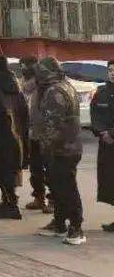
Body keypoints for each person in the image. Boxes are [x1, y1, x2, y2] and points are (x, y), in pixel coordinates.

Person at [34, 57, 85, 246]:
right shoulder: (65, 85)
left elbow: (51, 124)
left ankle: (76, 227)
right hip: (66, 146)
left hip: (62, 148)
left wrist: (45, 146)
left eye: (40, 70)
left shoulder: (54, 90)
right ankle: (59, 223)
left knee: (66, 187)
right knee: (58, 187)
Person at [0, 56, 29, 220]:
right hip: (16, 133)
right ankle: (8, 201)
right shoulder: (16, 86)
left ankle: (11, 205)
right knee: (11, 167)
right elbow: (24, 110)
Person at [20, 56, 51, 214]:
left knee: (50, 168)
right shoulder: (23, 84)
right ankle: (39, 197)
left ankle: (52, 201)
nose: (24, 68)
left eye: (27, 65)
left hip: (45, 133)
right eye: (22, 65)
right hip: (30, 132)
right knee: (35, 168)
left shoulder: (43, 85)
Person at [90, 60, 114, 232]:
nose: (112, 73)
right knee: (110, 181)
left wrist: (111, 133)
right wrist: (102, 132)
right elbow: (94, 114)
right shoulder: (101, 92)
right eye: (111, 70)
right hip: (106, 145)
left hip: (111, 138)